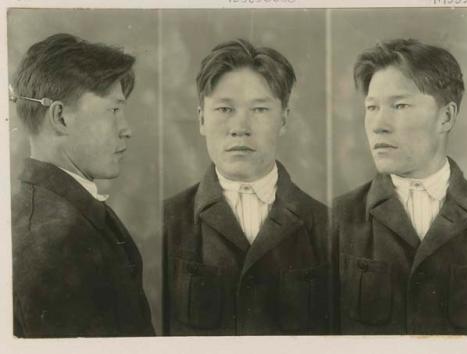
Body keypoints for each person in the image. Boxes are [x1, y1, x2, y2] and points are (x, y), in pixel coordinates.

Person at [162, 39, 336, 335]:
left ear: (284, 119)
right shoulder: (167, 221)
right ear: (202, 119)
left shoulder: (327, 227)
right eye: (224, 109)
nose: (240, 126)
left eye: (259, 110)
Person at [334, 39, 467, 334]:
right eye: (372, 107)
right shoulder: (337, 219)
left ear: (446, 117)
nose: (379, 124)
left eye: (400, 105)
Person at [11, 33, 155, 337]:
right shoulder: (52, 239)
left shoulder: (62, 211)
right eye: (114, 110)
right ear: (61, 117)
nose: (126, 129)